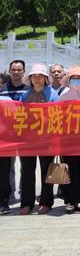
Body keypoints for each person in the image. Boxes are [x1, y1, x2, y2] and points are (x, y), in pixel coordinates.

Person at [19, 64, 59, 215]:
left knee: (46, 171)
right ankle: (26, 203)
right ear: (30, 79)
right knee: (27, 171)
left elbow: (57, 115)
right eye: (34, 76)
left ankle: (46, 201)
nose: (37, 78)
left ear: (45, 79)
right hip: (28, 140)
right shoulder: (25, 95)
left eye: (40, 76)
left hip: (46, 139)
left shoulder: (52, 94)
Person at [58, 66, 80, 214]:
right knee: (69, 170)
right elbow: (57, 116)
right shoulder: (64, 96)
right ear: (69, 80)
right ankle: (69, 201)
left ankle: (79, 199)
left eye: (79, 78)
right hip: (68, 139)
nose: (76, 81)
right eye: (74, 78)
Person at [0, 60, 27, 208]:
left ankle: (25, 193)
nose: (16, 72)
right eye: (14, 70)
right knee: (7, 167)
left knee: (26, 165)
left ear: (24, 71)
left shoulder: (30, 89)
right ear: (9, 71)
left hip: (25, 135)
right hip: (6, 136)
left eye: (19, 70)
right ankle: (8, 194)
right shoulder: (2, 89)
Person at [0, 89, 14, 214]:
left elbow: (15, 119)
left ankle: (3, 202)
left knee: (4, 175)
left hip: (4, 145)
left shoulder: (6, 100)